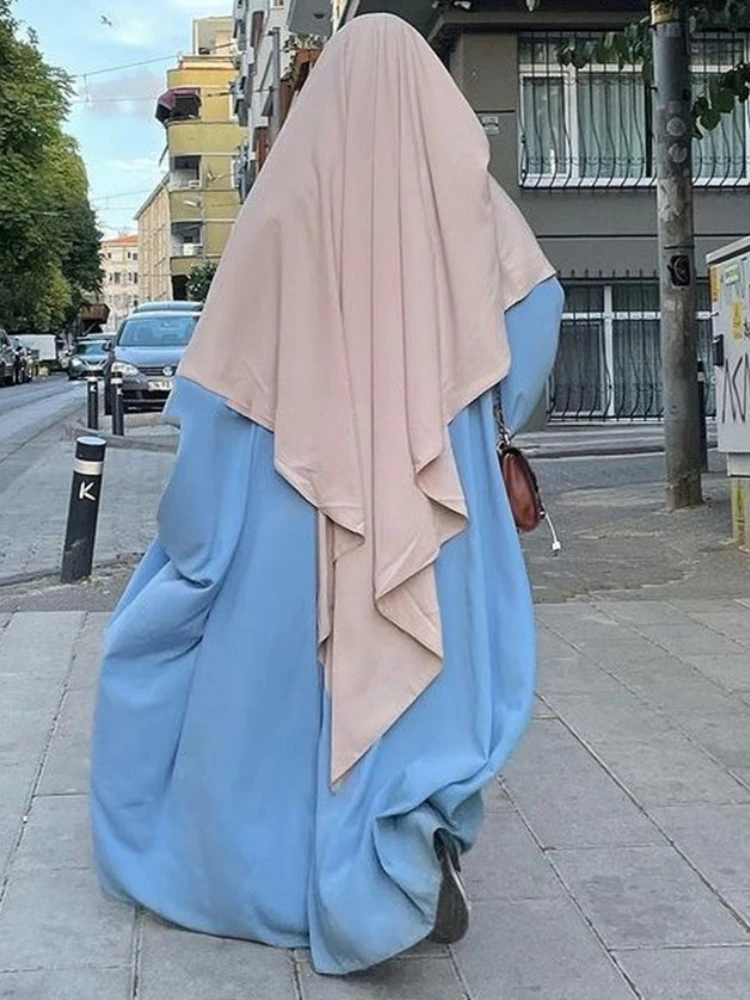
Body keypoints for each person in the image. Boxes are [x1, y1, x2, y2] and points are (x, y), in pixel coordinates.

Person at [90, 13, 563, 976]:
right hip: (435, 496)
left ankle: (301, 875)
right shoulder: (469, 200)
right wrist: (469, 418)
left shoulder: (285, 204)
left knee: (282, 698)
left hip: (287, 497)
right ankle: (400, 847)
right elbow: (537, 312)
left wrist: (197, 539)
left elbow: (223, 388)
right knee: (428, 681)